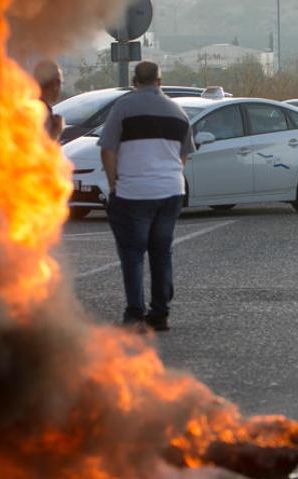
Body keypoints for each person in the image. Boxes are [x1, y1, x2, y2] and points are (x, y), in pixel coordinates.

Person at [98, 61, 194, 332]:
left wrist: (113, 183)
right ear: (160, 81)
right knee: (162, 252)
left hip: (134, 192)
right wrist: (167, 176)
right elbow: (184, 154)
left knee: (133, 253)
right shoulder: (178, 112)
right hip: (171, 190)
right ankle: (160, 313)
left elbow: (107, 150)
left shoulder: (124, 108)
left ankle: (135, 313)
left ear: (134, 81)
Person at [33, 59, 64, 140]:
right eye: (60, 82)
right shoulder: (41, 113)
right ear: (55, 84)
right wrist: (56, 131)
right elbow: (40, 149)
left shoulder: (30, 106)